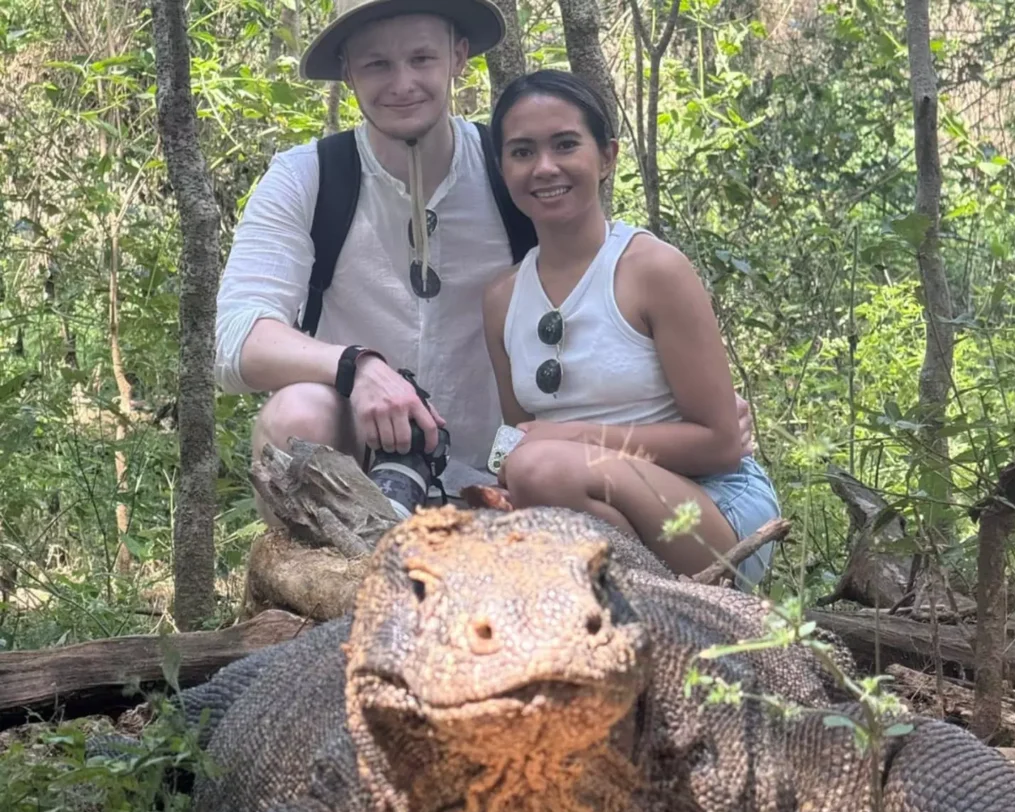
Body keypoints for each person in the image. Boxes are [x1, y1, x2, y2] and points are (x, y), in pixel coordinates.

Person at [215, 0, 754, 517]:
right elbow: (237, 339)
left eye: (422, 58)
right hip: (360, 471)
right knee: (295, 414)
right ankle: (319, 581)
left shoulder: (515, 171)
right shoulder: (308, 178)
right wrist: (357, 367)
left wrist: (695, 423)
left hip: (504, 480)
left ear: (459, 56)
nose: (402, 83)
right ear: (347, 72)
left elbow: (601, 296)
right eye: (377, 63)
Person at [482, 69, 780, 588]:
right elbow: (518, 436)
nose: (545, 167)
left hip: (709, 504)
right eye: (523, 151)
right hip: (579, 498)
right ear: (502, 167)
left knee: (542, 469)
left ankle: (651, 610)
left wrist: (569, 438)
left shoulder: (652, 270)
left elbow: (720, 444)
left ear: (607, 156)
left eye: (566, 144)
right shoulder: (501, 299)